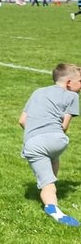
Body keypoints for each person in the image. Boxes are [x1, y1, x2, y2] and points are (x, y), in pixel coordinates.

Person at [19, 62, 81, 227]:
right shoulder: (73, 96)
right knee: (53, 156)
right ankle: (54, 203)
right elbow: (65, 126)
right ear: (69, 83)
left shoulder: (38, 92)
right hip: (57, 140)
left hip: (34, 143)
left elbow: (22, 120)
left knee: (47, 183)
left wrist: (36, 132)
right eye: (80, 81)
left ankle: (52, 202)